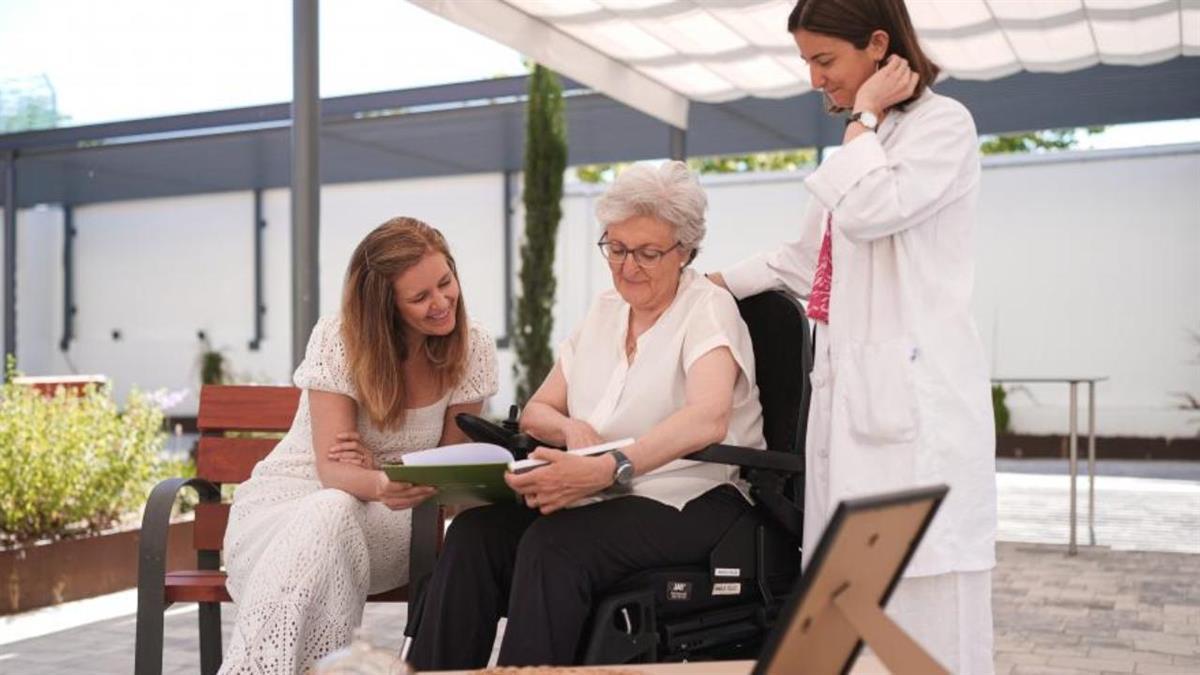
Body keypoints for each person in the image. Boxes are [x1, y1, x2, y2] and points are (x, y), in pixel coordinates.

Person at [708, 1, 997, 672]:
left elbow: (870, 210)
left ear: (877, 44)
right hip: (856, 411)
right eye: (806, 60)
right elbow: (804, 258)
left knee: (929, 622)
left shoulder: (942, 127)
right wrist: (700, 285)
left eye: (824, 60)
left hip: (919, 416)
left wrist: (864, 116)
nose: (813, 78)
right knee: (852, 618)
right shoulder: (865, 144)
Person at [406, 162, 766, 669]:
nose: (627, 267)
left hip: (692, 496)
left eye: (647, 252)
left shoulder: (707, 308)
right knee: (475, 535)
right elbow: (537, 411)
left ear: (685, 250)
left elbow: (708, 418)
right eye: (616, 249)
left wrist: (609, 465)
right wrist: (570, 428)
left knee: (555, 545)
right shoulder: (604, 310)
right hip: (603, 493)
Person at [219, 217, 498, 674]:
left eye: (446, 283)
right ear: (383, 307)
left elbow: (448, 474)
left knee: (333, 508)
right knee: (330, 506)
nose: (442, 302)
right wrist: (376, 477)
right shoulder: (339, 338)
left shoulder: (473, 347)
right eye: (420, 297)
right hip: (288, 504)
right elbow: (332, 472)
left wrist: (379, 475)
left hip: (397, 520)